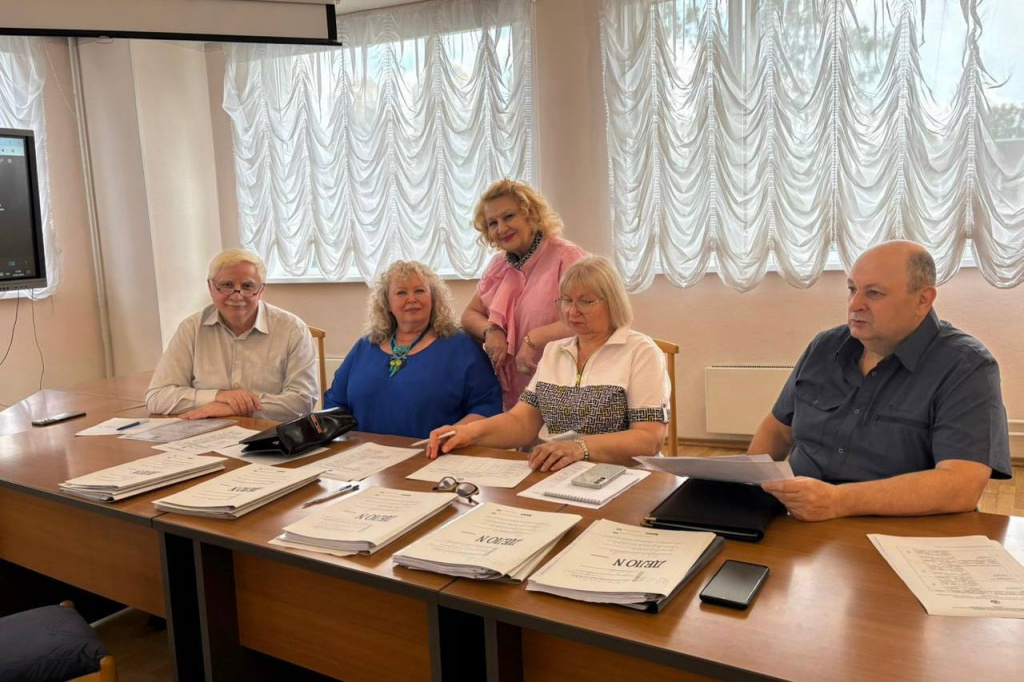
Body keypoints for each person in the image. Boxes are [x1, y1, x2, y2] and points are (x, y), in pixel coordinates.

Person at [751, 241, 1011, 522]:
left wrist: (837, 501)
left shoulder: (966, 366)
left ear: (923, 299)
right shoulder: (824, 347)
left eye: (874, 293)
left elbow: (961, 484)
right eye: (852, 289)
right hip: (797, 521)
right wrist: (745, 493)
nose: (855, 304)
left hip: (899, 531)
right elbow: (777, 431)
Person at [429, 256, 670, 470]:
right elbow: (521, 422)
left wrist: (579, 447)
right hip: (557, 472)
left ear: (613, 302)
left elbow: (649, 439)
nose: (572, 311)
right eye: (567, 300)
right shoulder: (555, 351)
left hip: (620, 476)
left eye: (586, 301)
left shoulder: (640, 351)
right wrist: (467, 432)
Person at [323, 261, 502, 438]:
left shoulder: (462, 348)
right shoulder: (365, 347)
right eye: (401, 292)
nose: (411, 299)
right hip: (364, 454)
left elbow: (487, 406)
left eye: (419, 291)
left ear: (433, 298)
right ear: (387, 303)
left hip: (435, 453)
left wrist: (448, 437)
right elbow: (335, 403)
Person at [146, 249, 318, 421]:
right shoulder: (191, 329)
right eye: (227, 285)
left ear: (261, 290)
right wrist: (218, 396)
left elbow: (302, 402)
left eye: (247, 286)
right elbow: (157, 398)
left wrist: (230, 408)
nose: (236, 297)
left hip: (269, 432)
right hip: (205, 432)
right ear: (210, 287)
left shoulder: (293, 330)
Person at [462, 180, 588, 410]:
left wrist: (534, 338)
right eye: (492, 223)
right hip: (513, 393)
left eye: (509, 216)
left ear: (531, 215)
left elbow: (590, 319)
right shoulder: (499, 264)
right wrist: (491, 331)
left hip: (565, 388)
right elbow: (469, 315)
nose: (501, 229)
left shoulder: (567, 257)